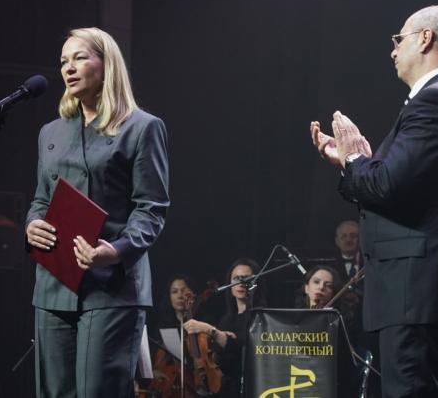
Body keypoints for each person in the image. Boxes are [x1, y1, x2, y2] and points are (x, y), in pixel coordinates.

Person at [310, 5, 438, 397]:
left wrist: (355, 158)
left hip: (417, 294)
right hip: (421, 294)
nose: (392, 51)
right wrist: (354, 162)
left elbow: (388, 186)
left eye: (398, 39)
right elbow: (400, 185)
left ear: (425, 38)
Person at [24, 27, 170, 398]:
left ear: (106, 66)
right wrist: (32, 224)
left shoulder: (141, 127)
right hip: (54, 285)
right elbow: (41, 198)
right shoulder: (51, 132)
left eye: (79, 58)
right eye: (63, 61)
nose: (68, 68)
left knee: (97, 392)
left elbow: (151, 209)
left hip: (111, 286)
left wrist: (117, 250)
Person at [183, 258, 265, 398]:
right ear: (230, 284)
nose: (241, 283)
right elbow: (217, 359)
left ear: (255, 283)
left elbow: (244, 347)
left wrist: (211, 331)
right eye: (236, 278)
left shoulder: (261, 316)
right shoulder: (227, 319)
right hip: (225, 385)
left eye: (246, 278)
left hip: (250, 387)